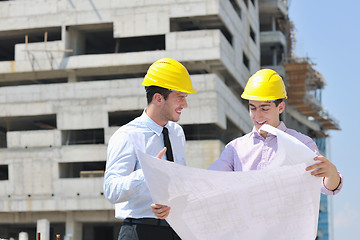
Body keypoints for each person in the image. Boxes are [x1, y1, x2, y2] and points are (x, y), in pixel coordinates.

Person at [104, 58, 197, 240]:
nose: (185, 104)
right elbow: (111, 190)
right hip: (139, 231)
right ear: (158, 98)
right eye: (180, 97)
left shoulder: (177, 133)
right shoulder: (127, 135)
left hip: (176, 229)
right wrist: (147, 172)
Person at [208, 68, 342, 195]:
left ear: (281, 107)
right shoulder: (235, 149)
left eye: (264, 109)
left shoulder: (301, 144)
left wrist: (332, 173)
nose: (257, 116)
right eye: (253, 108)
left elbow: (325, 186)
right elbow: (209, 181)